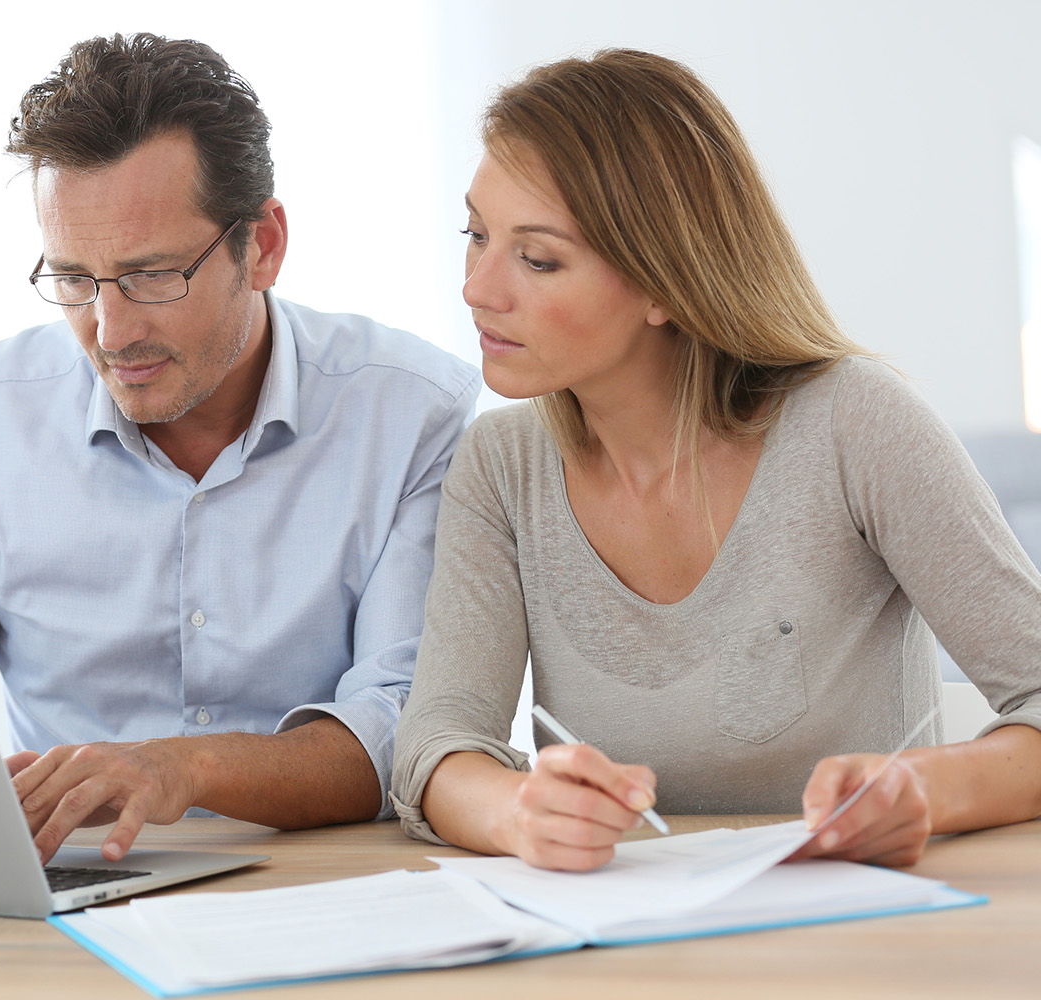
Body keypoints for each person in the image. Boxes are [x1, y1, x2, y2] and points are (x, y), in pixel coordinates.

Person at [390, 49, 1041, 871]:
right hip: (630, 948)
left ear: (666, 282)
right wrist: (519, 812)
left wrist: (924, 788)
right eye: (476, 235)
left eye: (538, 257)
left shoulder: (856, 423)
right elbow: (438, 747)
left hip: (854, 945)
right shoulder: (501, 466)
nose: (477, 288)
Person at [0, 33, 479, 864]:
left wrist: (183, 767)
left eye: (153, 275)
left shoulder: (414, 413)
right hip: (70, 890)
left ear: (261, 246)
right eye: (75, 280)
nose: (111, 331)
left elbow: (404, 733)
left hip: (323, 884)